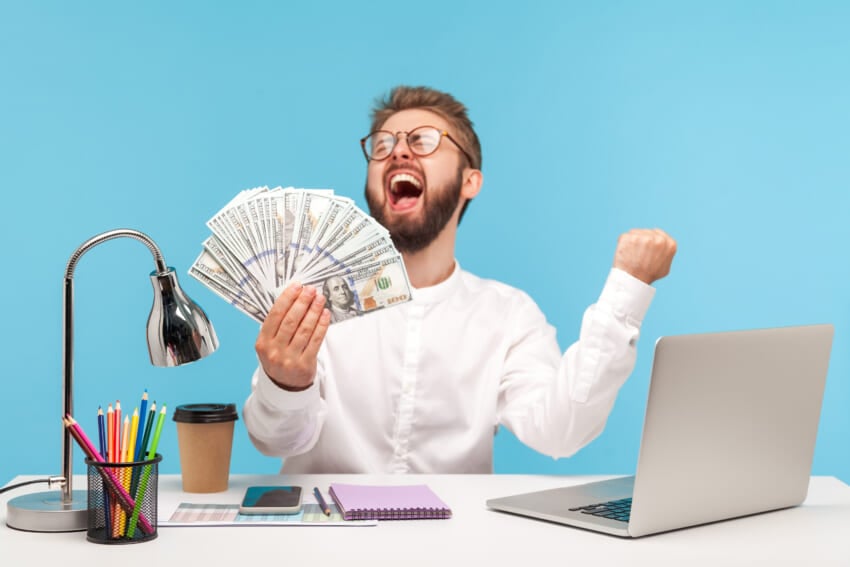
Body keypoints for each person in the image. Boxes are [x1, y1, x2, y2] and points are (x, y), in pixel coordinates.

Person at [244, 85, 677, 473]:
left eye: (423, 141)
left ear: (470, 181)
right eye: (383, 144)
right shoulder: (310, 301)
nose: (397, 151)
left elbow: (558, 431)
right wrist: (286, 383)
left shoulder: (509, 315)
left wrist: (628, 288)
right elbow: (275, 441)